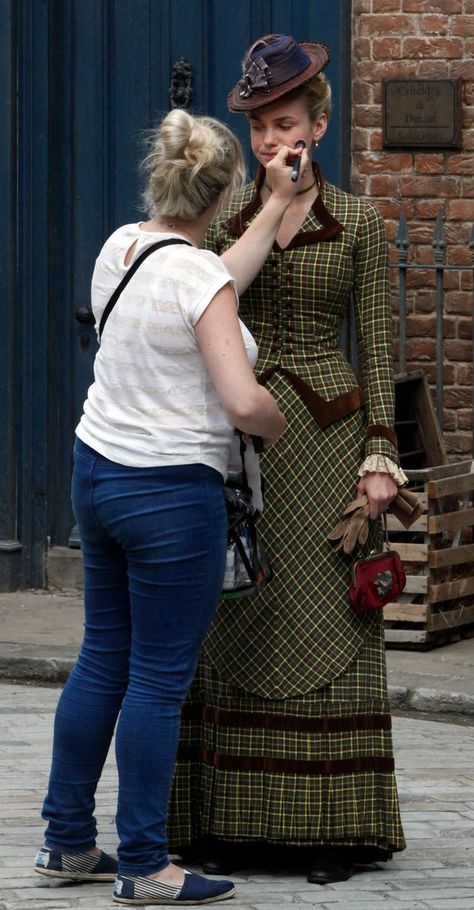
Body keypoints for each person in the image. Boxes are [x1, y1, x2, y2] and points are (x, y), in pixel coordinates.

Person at [34, 107, 309, 905]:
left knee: (102, 659)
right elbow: (241, 399)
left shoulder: (124, 248)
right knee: (157, 681)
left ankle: (66, 843)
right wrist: (276, 417)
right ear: (219, 196)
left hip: (98, 473)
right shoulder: (200, 279)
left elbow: (209, 276)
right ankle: (146, 863)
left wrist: (272, 207)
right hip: (168, 495)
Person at [168, 34, 407, 886]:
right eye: (263, 130)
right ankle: (227, 825)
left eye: (288, 124)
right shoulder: (227, 223)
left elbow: (377, 344)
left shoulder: (362, 223)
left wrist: (382, 457)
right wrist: (264, 206)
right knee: (237, 612)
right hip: (240, 440)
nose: (275, 143)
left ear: (320, 124)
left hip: (329, 440)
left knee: (326, 617)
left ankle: (330, 830)